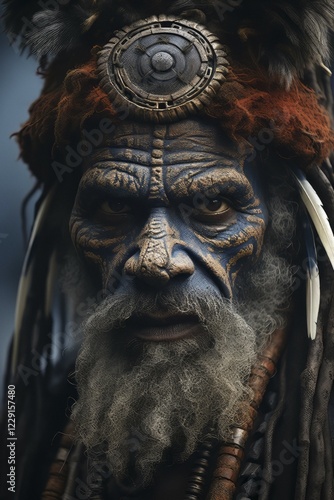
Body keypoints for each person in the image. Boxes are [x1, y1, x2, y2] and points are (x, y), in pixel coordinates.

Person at [1, 1, 334, 499]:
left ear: (284, 224)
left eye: (215, 204)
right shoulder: (34, 422)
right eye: (113, 207)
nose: (155, 261)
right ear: (67, 227)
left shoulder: (319, 431)